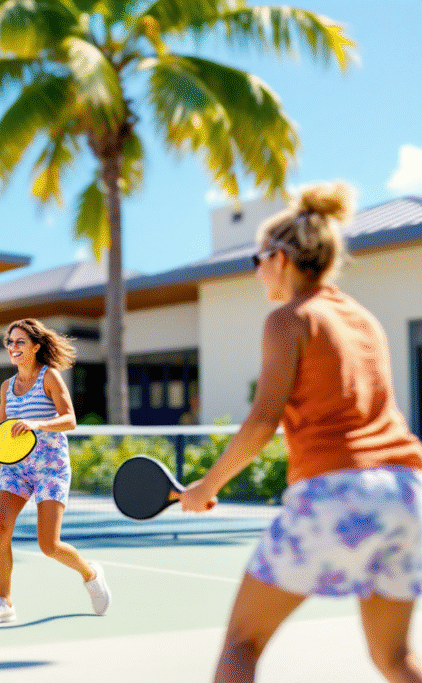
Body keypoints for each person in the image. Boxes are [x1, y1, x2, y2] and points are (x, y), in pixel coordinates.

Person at [180, 182, 422, 683]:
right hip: (407, 494)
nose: (256, 269)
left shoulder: (288, 319)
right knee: (394, 659)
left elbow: (264, 420)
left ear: (282, 259)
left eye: (257, 258)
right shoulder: (365, 320)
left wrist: (208, 484)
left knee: (241, 646)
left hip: (338, 491)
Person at [0, 318, 110, 626]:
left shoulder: (49, 376)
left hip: (50, 465)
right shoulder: (7, 387)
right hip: (15, 467)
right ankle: (4, 603)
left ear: (36, 347)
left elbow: (69, 419)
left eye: (20, 342)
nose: (13, 347)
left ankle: (91, 574)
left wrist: (38, 423)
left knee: (48, 545)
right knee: (1, 529)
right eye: (9, 342)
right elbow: (0, 430)